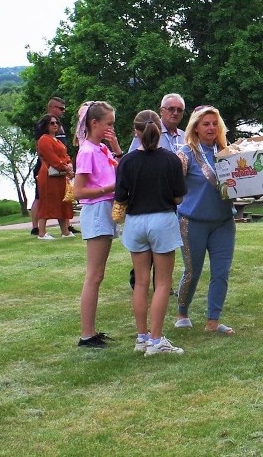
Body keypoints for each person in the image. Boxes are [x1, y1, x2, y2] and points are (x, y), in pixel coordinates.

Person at [115, 110, 187, 355]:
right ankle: (157, 341)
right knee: (163, 281)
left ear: (136, 131)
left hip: (135, 222)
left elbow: (120, 197)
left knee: (141, 282)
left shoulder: (126, 161)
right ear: (159, 129)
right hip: (162, 219)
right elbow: (178, 196)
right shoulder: (171, 160)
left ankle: (142, 337)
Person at [175, 105, 237, 335]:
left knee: (221, 272)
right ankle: (182, 312)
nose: (211, 128)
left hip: (223, 222)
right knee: (192, 271)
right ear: (196, 128)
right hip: (192, 222)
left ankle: (213, 320)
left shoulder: (228, 152)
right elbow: (172, 188)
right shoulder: (185, 154)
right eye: (206, 124)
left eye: (214, 124)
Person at [125, 93, 187, 293]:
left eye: (179, 110)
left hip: (172, 198)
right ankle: (141, 281)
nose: (175, 113)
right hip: (150, 200)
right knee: (148, 248)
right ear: (161, 111)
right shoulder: (145, 131)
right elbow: (134, 162)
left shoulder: (186, 136)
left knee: (163, 245)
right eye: (171, 109)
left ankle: (160, 284)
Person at [72, 101, 120, 349]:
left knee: (98, 274)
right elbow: (78, 191)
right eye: (109, 124)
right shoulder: (87, 151)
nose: (111, 128)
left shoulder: (102, 149)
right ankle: (86, 334)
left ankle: (90, 331)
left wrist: (115, 147)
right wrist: (109, 188)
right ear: (94, 123)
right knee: (94, 274)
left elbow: (120, 171)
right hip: (97, 211)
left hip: (106, 210)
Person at [30, 97, 76, 236]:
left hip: (60, 172)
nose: (55, 124)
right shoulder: (44, 138)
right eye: (52, 123)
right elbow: (48, 156)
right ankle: (39, 230)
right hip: (49, 171)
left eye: (57, 123)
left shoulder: (56, 138)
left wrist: (69, 166)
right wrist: (64, 167)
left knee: (62, 201)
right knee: (45, 200)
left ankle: (65, 231)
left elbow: (65, 152)